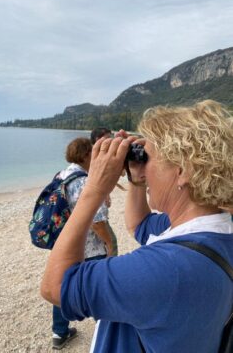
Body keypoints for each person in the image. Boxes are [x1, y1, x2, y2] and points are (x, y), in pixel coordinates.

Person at [41, 100, 233, 352]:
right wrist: (134, 176)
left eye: (148, 158)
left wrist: (95, 188)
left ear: (182, 170)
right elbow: (139, 224)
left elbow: (54, 286)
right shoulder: (214, 229)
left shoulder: (166, 269)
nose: (143, 172)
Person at [51, 137, 115, 350]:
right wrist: (110, 244)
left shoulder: (61, 175)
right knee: (98, 288)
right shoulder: (83, 180)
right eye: (93, 154)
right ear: (87, 155)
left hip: (65, 243)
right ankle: (108, 332)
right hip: (89, 246)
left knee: (63, 286)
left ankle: (59, 333)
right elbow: (97, 222)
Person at [90, 127, 118, 256]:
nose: (111, 140)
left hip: (97, 215)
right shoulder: (93, 158)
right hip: (96, 217)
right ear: (98, 139)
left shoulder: (97, 156)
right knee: (110, 243)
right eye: (108, 137)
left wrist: (106, 193)